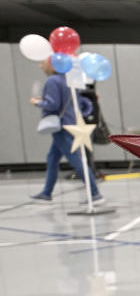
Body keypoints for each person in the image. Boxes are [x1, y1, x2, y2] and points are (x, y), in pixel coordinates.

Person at [29, 56, 104, 204]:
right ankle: (46, 193)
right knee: (52, 159)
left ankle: (95, 194)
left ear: (52, 65)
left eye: (42, 63)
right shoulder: (69, 80)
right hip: (71, 123)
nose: (40, 66)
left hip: (62, 127)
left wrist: (37, 103)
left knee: (77, 161)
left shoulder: (52, 81)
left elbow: (53, 104)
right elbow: (82, 103)